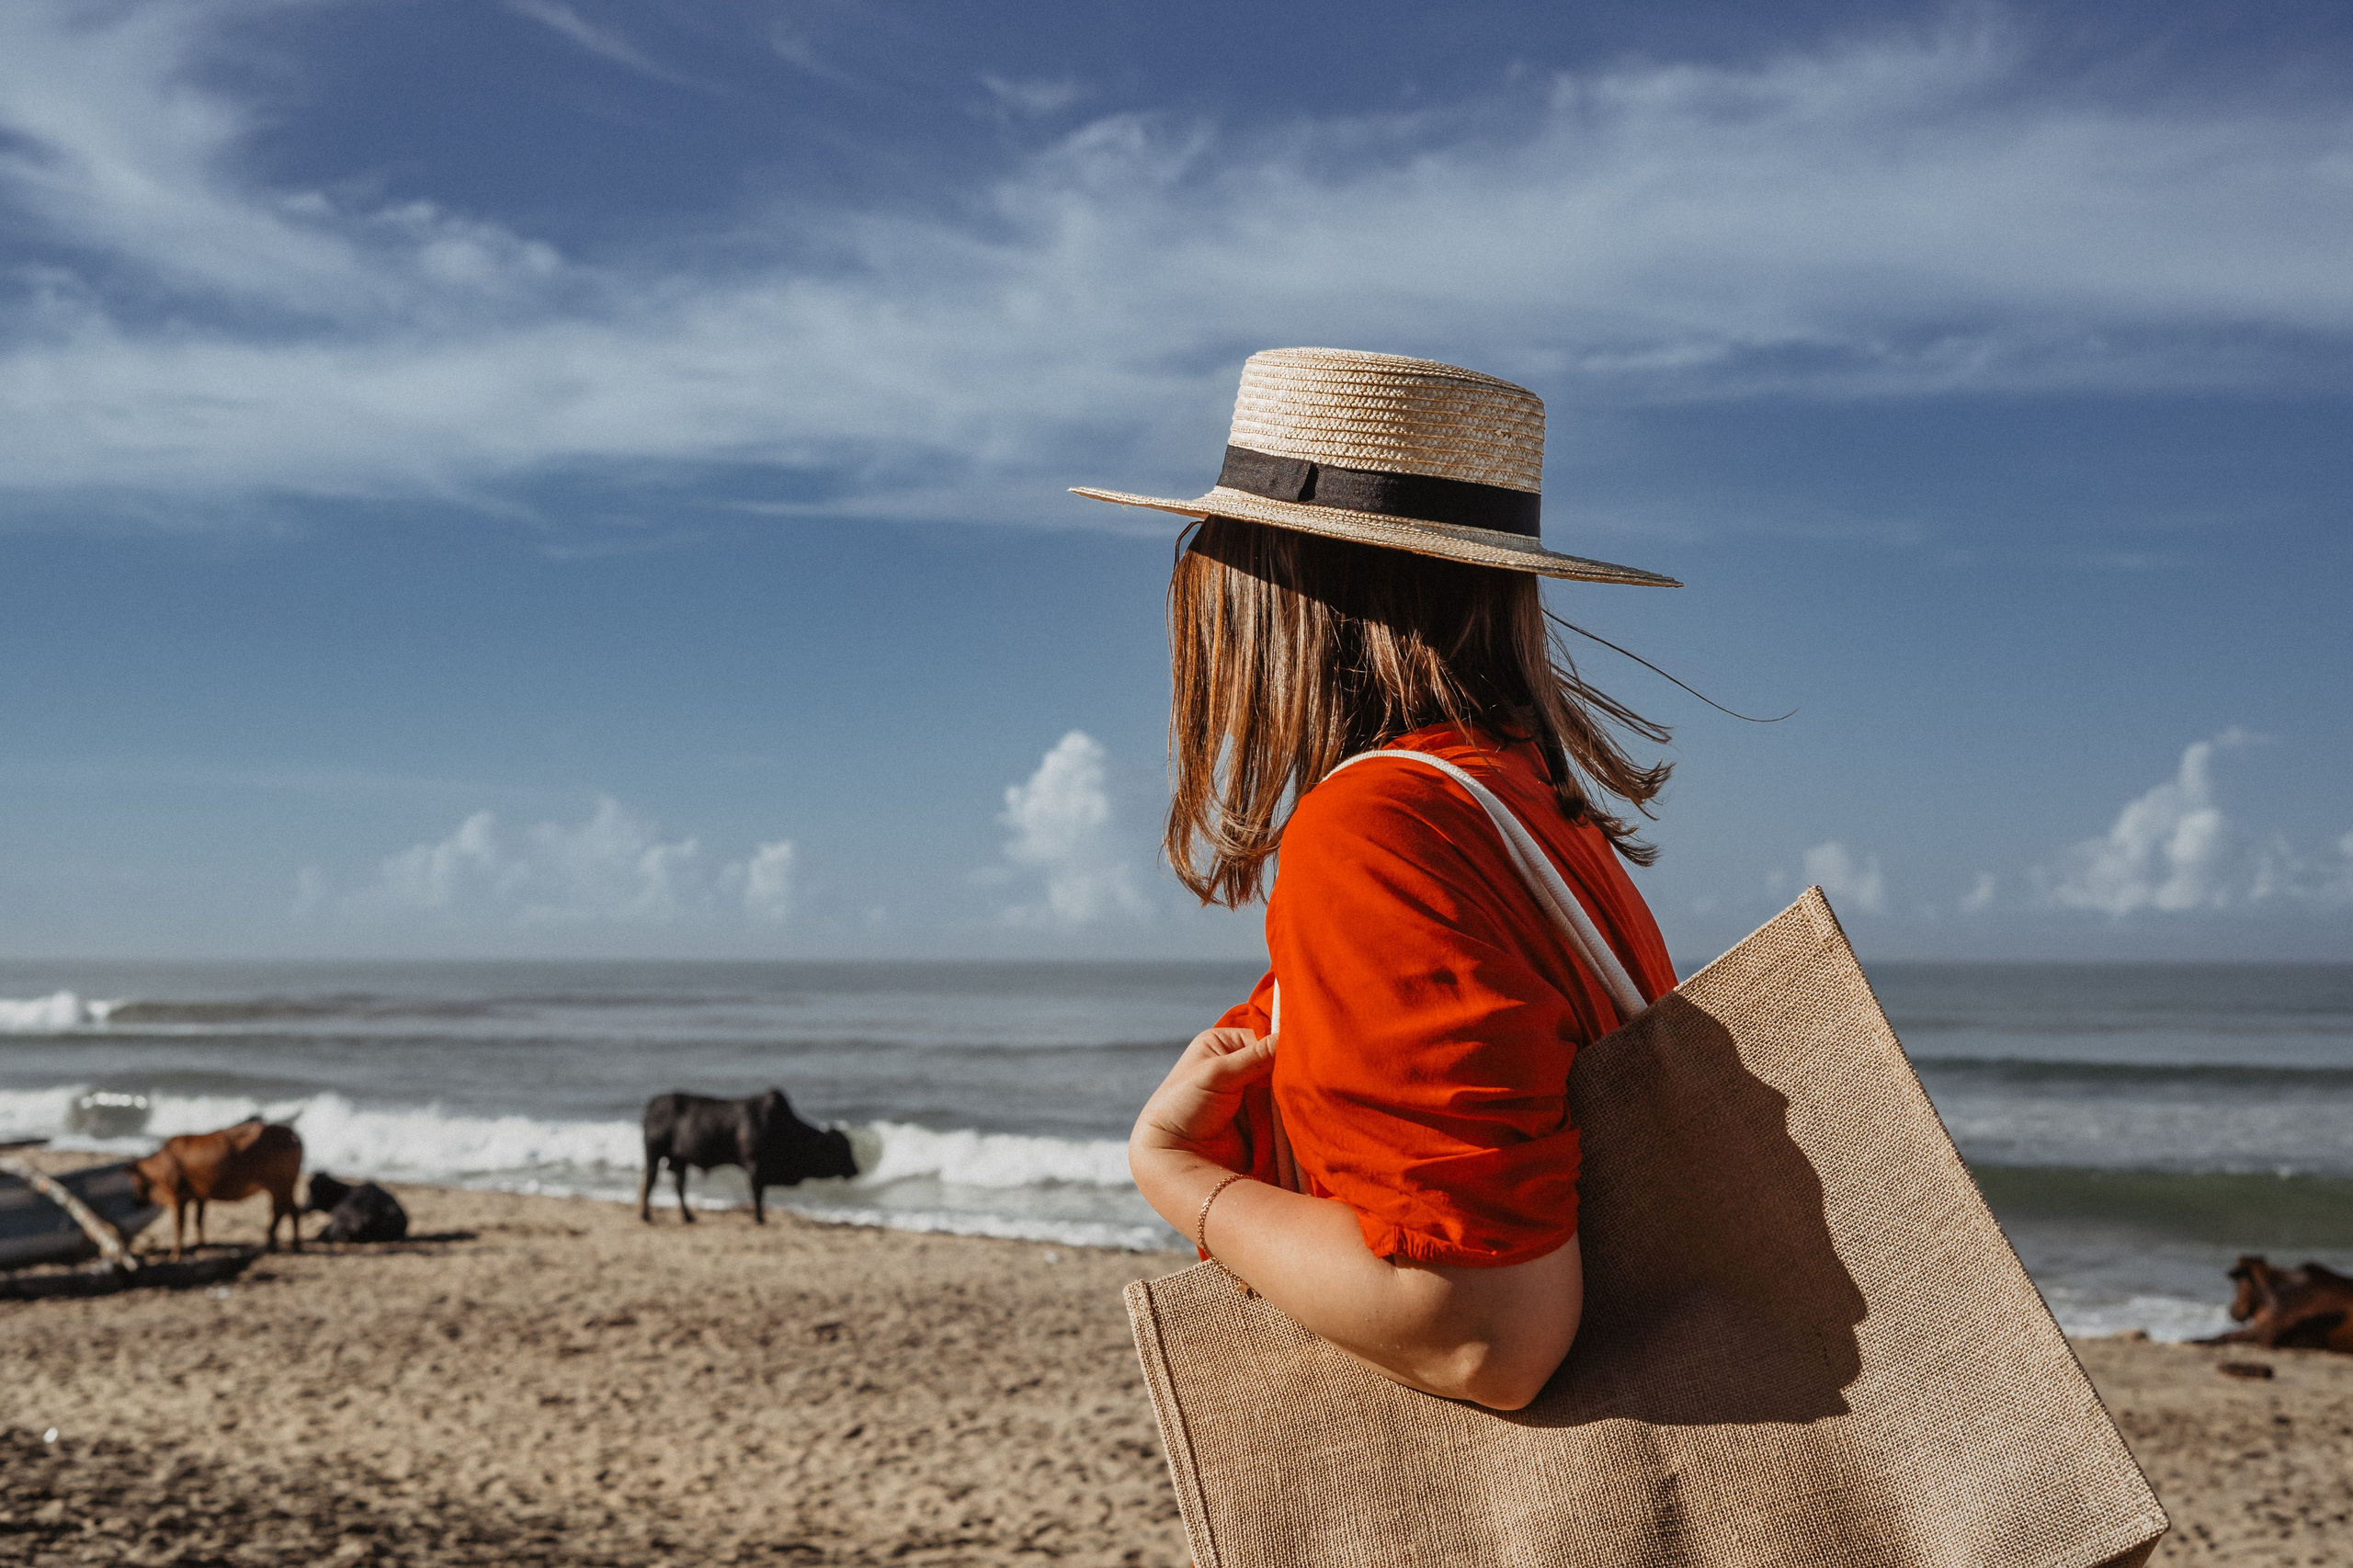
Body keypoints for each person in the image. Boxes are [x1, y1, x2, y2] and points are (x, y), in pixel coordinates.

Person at [1074, 347, 1683, 1412]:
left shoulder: (1380, 828)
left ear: (1266, 581)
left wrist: (1184, 1177)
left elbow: (1481, 1335)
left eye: (1206, 544)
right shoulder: (1529, 803)